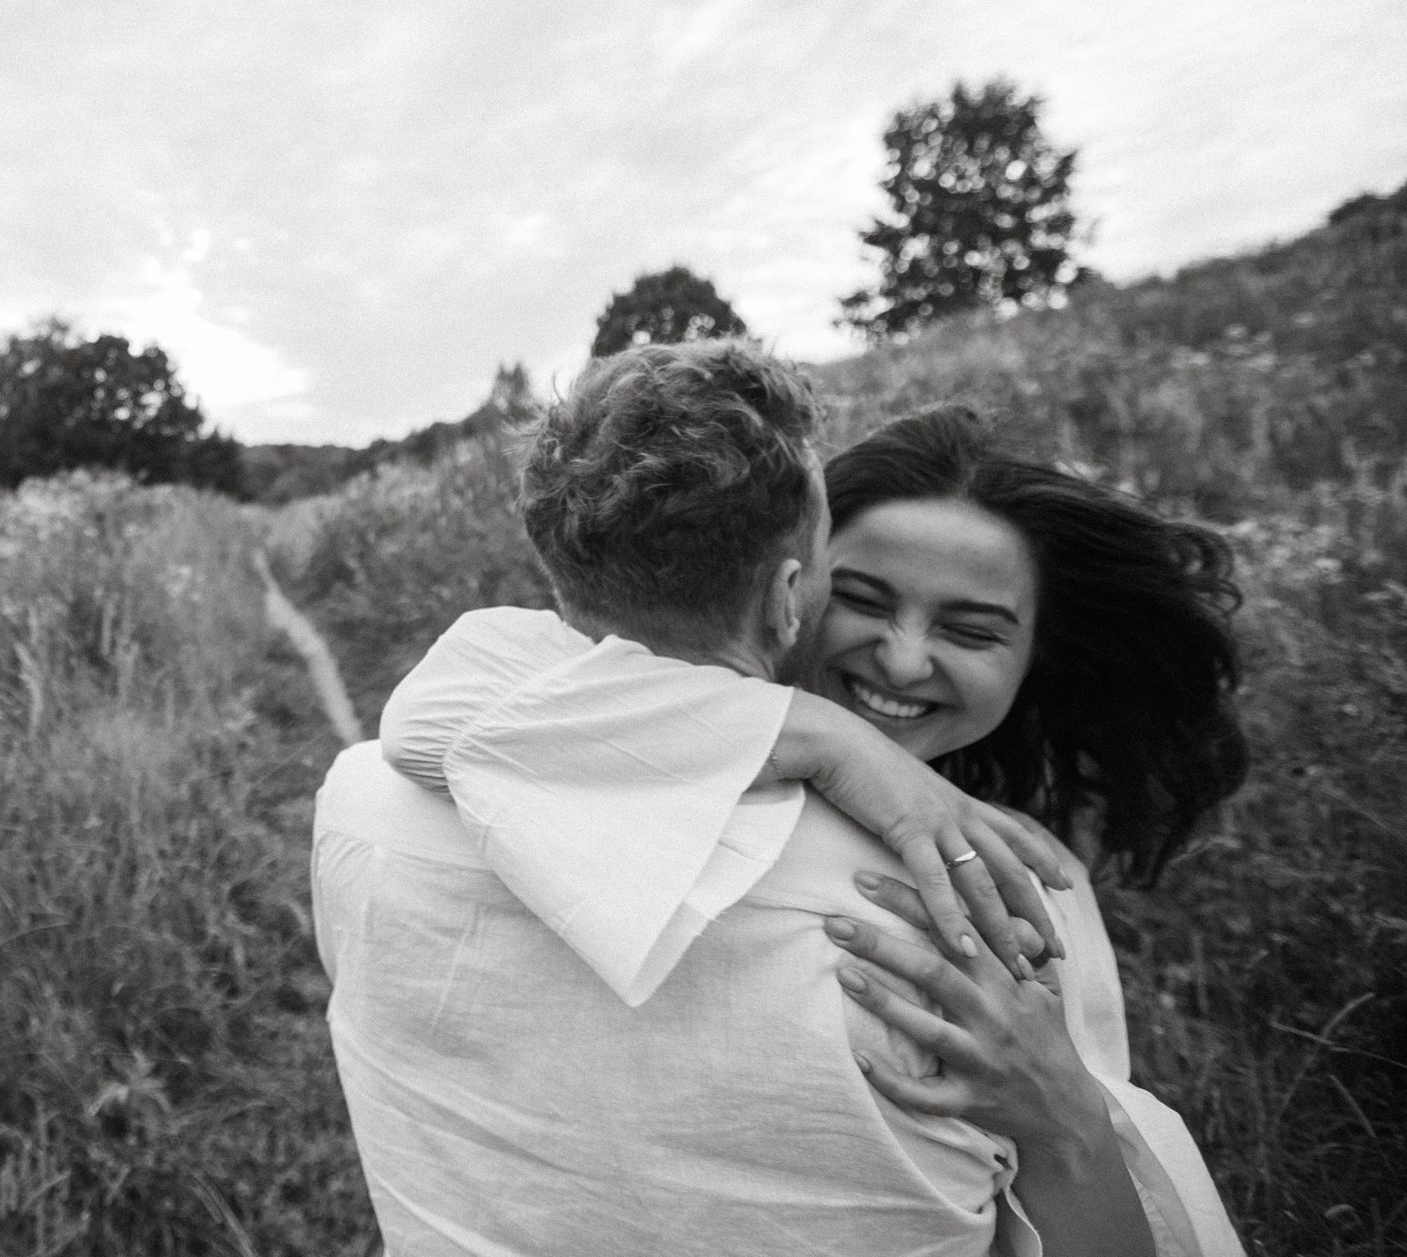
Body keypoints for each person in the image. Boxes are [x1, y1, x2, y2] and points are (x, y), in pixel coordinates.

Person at [313, 344, 1245, 1256]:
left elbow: (438, 709)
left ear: (1038, 652)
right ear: (794, 590)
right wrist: (1074, 1130)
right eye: (866, 599)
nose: (904, 659)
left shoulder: (370, 796)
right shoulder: (1001, 908)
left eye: (969, 629)